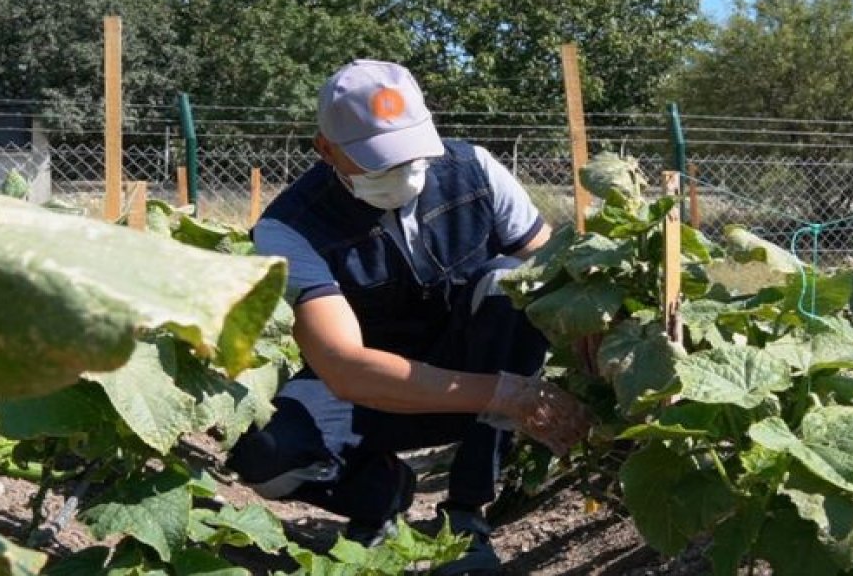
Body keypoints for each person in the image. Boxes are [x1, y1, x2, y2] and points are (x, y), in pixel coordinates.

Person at [226, 59, 591, 576]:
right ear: (325, 150)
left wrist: (600, 353)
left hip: (477, 363)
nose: (402, 173)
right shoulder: (289, 228)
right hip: (369, 392)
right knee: (264, 454)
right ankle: (382, 497)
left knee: (516, 281)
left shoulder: (477, 170)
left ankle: (467, 514)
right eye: (378, 162)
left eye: (411, 153)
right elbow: (346, 367)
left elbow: (556, 275)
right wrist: (507, 394)